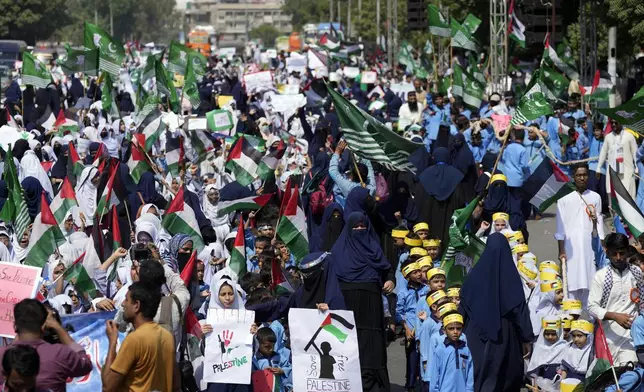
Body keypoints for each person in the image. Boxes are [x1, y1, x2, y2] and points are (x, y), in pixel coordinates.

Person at [459, 233, 534, 392]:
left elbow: (463, 308)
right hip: (504, 336)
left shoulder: (473, 277)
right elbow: (519, 310)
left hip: (475, 335)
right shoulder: (511, 278)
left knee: (477, 377)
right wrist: (527, 339)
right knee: (503, 378)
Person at [330, 212, 394, 391]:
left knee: (371, 346)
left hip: (371, 307)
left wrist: (390, 280)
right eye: (355, 227)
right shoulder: (338, 252)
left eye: (362, 226)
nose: (359, 230)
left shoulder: (375, 249)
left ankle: (372, 383)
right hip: (347, 307)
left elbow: (387, 270)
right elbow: (330, 281)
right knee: (349, 342)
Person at [0, 299, 92, 392]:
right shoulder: (59, 353)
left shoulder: (2, 354)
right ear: (44, 325)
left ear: (15, 326)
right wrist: (57, 327)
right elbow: (85, 365)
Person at [102, 282, 177, 392]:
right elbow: (176, 385)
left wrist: (113, 342)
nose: (123, 304)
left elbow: (108, 387)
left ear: (136, 305)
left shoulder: (134, 340)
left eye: (126, 300)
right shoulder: (167, 337)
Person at [588, 233, 643, 365]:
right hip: (608, 337)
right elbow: (591, 307)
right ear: (607, 252)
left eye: (622, 253)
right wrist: (614, 316)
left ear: (627, 251)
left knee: (629, 370)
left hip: (630, 337)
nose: (618, 258)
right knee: (610, 378)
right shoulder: (601, 276)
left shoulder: (636, 272)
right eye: (614, 254)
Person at [555, 163, 604, 307]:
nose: (582, 178)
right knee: (571, 283)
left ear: (588, 177)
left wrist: (601, 246)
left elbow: (600, 225)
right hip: (571, 248)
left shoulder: (595, 197)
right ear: (573, 177)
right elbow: (560, 228)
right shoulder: (564, 199)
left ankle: (592, 322)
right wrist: (561, 251)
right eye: (578, 175)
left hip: (590, 246)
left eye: (584, 175)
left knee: (592, 281)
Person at [415, 147, 465, 248]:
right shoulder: (456, 175)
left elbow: (418, 200)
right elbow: (460, 201)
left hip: (428, 218)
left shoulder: (425, 175)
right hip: (449, 220)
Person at [427, 313, 474, 392]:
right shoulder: (440, 350)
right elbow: (435, 375)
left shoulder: (466, 350)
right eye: (451, 328)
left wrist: (469, 390)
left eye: (458, 328)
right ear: (444, 330)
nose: (455, 332)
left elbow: (470, 373)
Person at [597, 118, 638, 198]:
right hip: (613, 171)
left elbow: (635, 153)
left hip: (627, 171)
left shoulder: (629, 136)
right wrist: (598, 167)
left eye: (616, 123)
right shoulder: (608, 137)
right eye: (612, 123)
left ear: (621, 123)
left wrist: (636, 168)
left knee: (628, 193)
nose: (613, 125)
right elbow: (603, 152)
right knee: (613, 194)